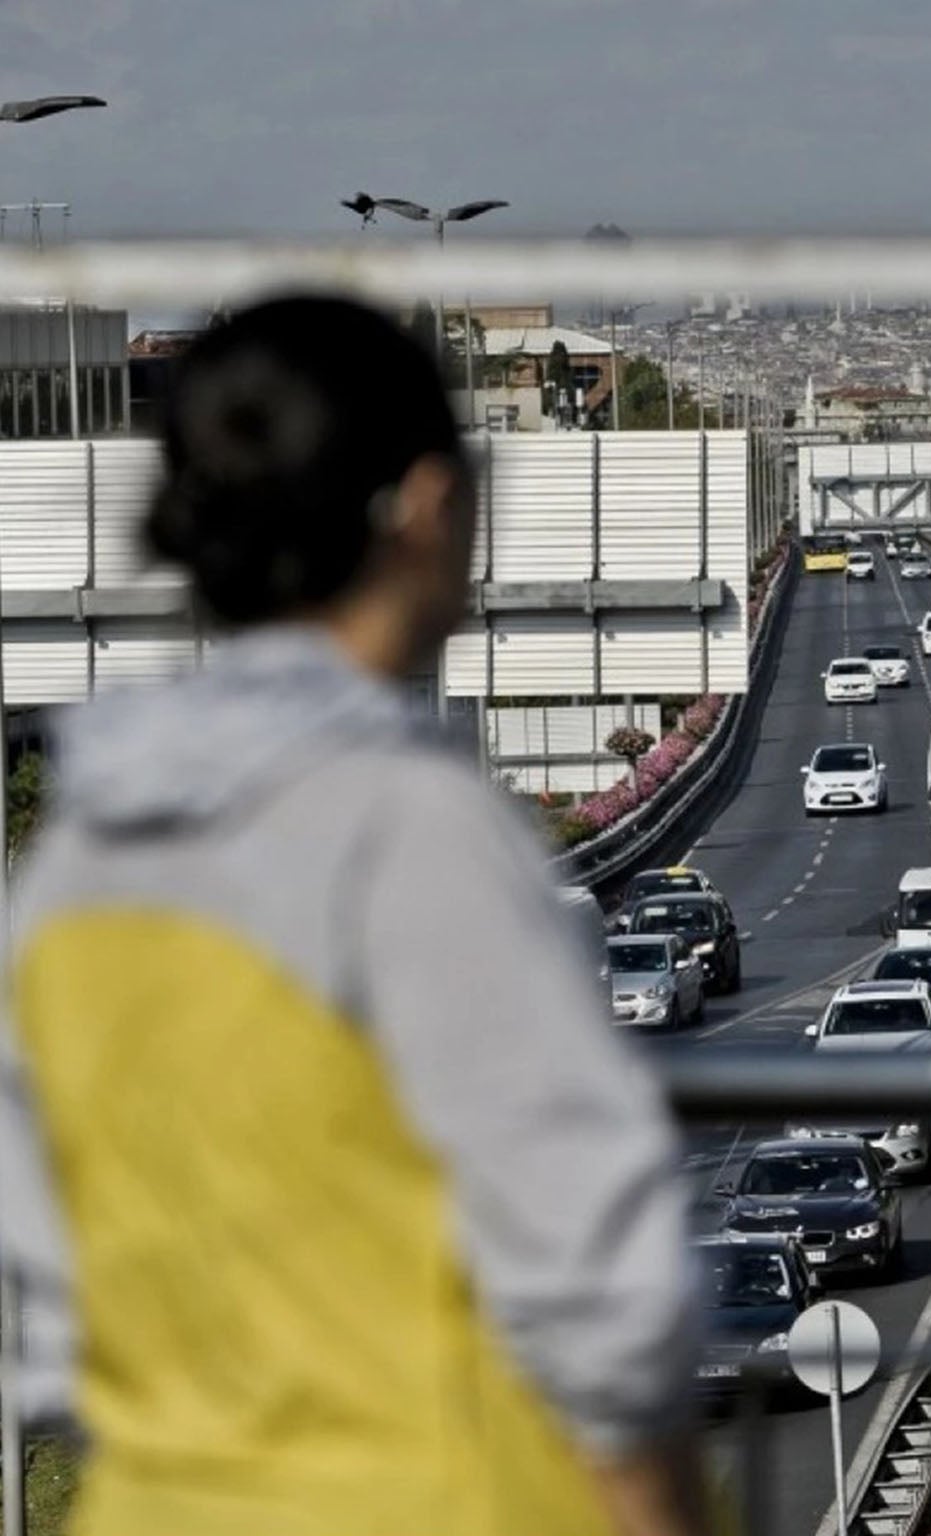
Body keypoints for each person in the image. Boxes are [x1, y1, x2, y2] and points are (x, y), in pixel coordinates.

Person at [0, 298, 711, 1536]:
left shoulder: (76, 863)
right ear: (428, 505)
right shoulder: (407, 831)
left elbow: (52, 1286)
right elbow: (595, 1279)